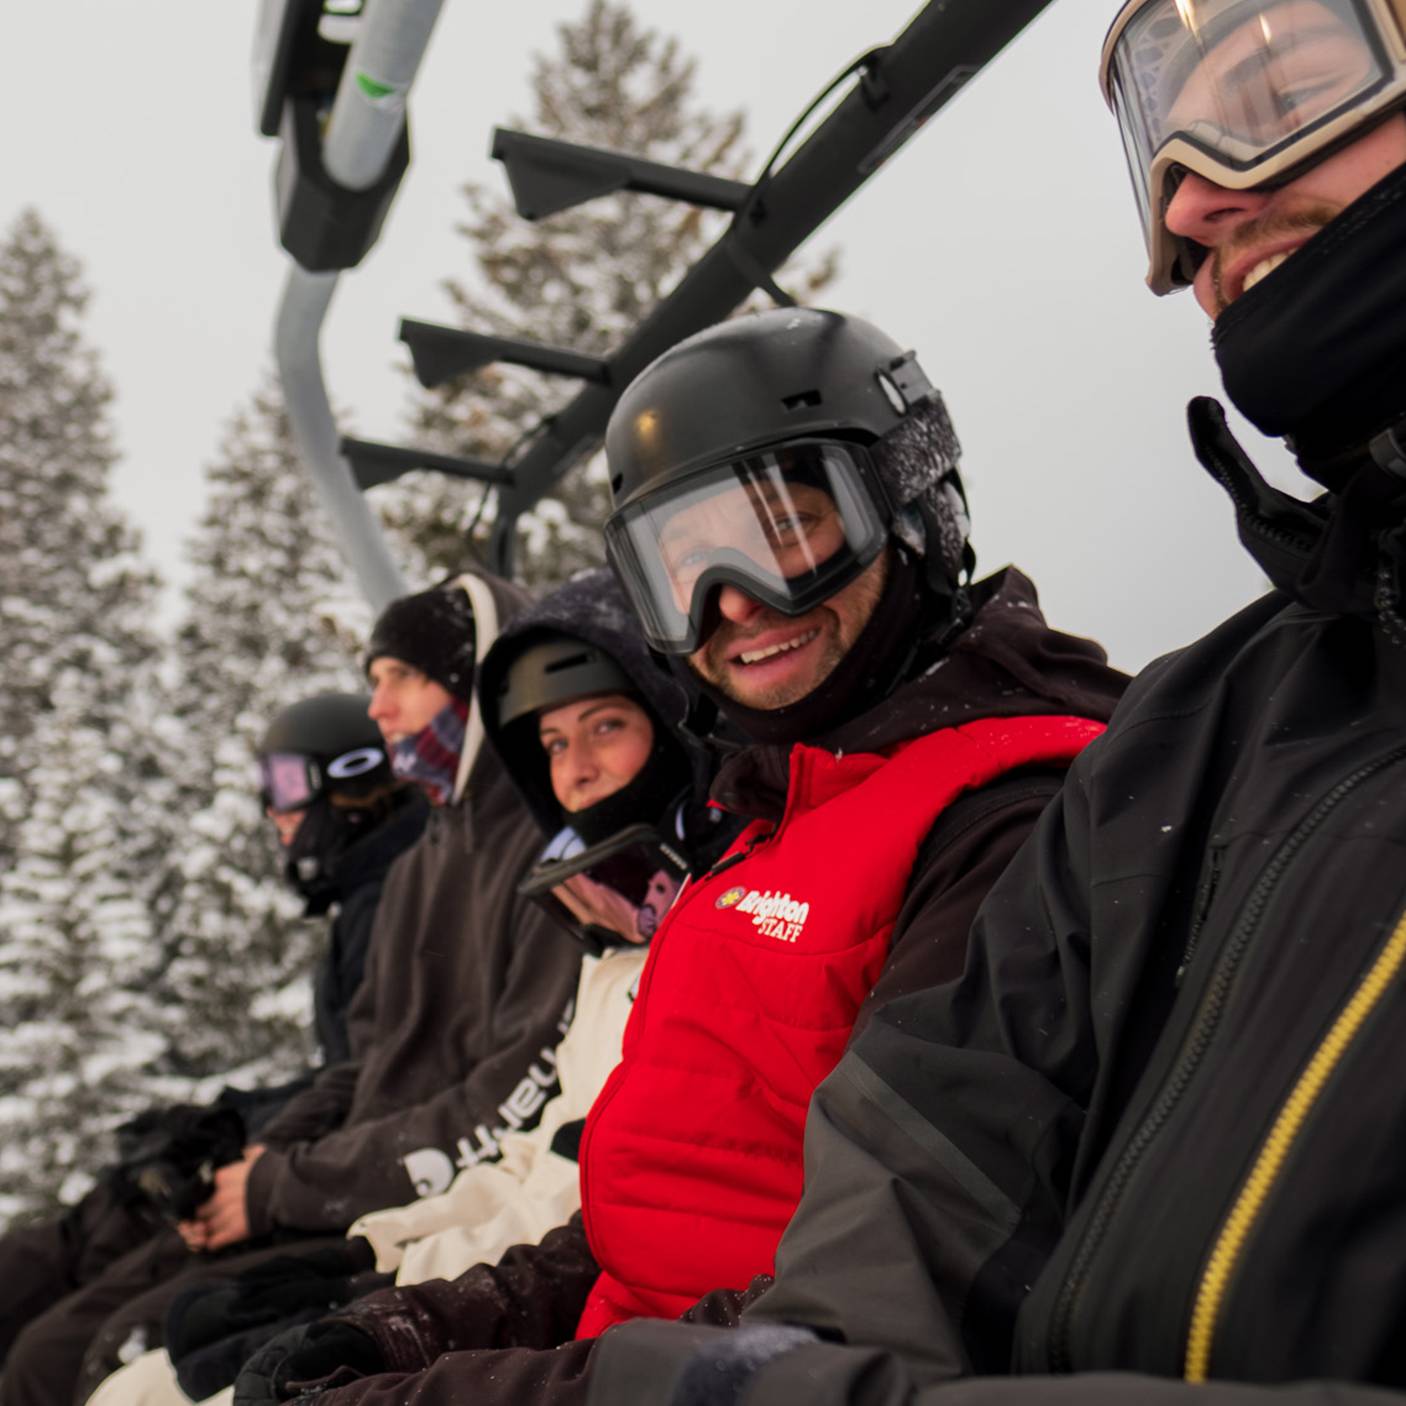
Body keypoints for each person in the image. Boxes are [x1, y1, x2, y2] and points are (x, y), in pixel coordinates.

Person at [581, 4, 1406, 1403]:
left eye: (1281, 88)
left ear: (905, 504)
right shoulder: (1197, 741)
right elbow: (912, 1195)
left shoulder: (1016, 795)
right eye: (680, 571)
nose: (1190, 202)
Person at [231, 307, 1125, 1406]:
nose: (732, 602)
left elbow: (872, 1306)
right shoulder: (766, 820)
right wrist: (412, 1326)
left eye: (781, 530)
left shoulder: (1005, 823)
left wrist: (435, 1392)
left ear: (908, 505)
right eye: (682, 566)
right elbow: (643, 1211)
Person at [92, 569, 739, 1406]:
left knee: (132, 1367)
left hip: (575, 1294)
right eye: (552, 744)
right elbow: (501, 1131)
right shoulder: (570, 909)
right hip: (474, 1243)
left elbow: (525, 1123)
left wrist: (371, 1263)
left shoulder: (631, 902)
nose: (381, 707)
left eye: (605, 727)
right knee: (134, 1369)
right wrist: (354, 1239)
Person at [1, 572, 584, 1406]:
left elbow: (507, 1096)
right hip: (348, 1188)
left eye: (404, 678)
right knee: (76, 1340)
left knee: (102, 1358)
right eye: (373, 681)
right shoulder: (423, 864)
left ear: (477, 684)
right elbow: (364, 1065)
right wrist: (256, 1162)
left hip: (425, 1209)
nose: (380, 707)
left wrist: (279, 1183)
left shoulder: (548, 852)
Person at [0, 692, 423, 1373]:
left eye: (287, 783)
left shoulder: (394, 899)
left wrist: (247, 1136)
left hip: (323, 1186)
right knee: (87, 1237)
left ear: (352, 778)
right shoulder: (369, 900)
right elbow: (353, 1070)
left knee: (51, 1348)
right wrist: (229, 1116)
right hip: (301, 1157)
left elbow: (380, 1079)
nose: (274, 809)